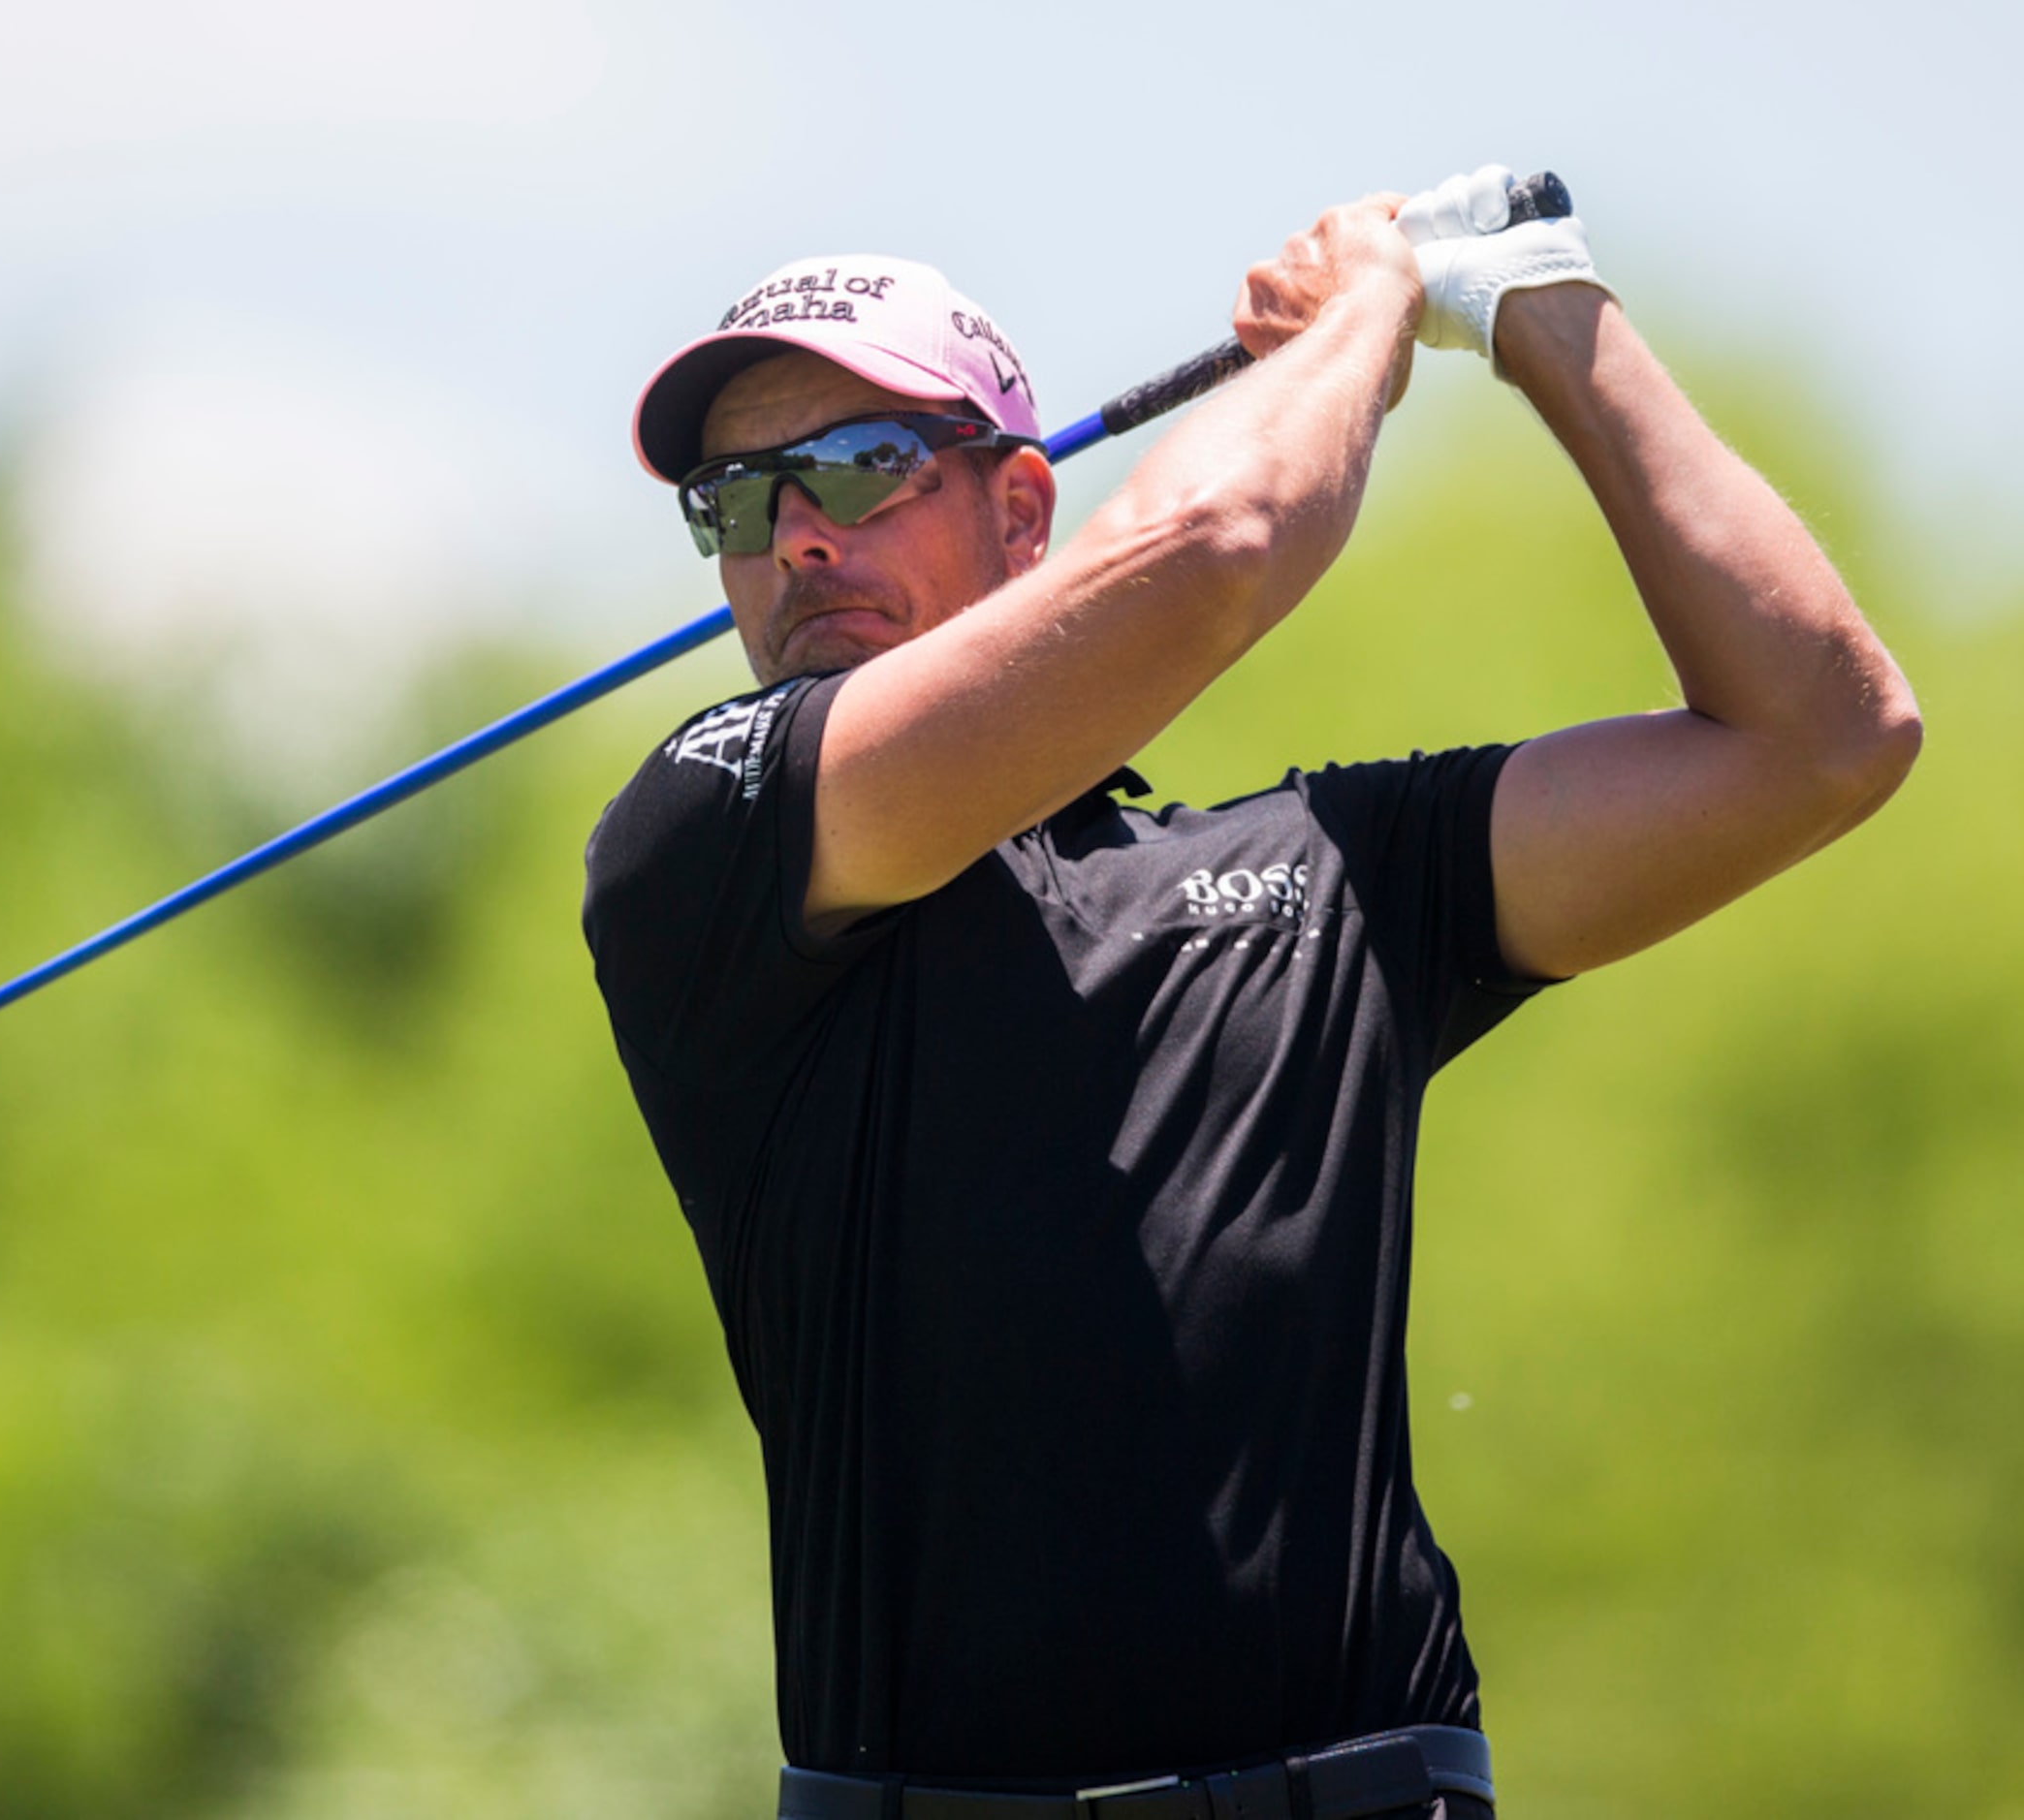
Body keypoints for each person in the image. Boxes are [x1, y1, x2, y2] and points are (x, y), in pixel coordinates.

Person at [580, 169, 1919, 1819]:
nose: (794, 533)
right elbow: (1214, 545)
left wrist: (1540, 314)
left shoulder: (1323, 876)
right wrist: (1362, 318)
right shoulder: (704, 839)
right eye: (737, 497)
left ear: (1018, 513)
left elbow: (1820, 737)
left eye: (861, 467)